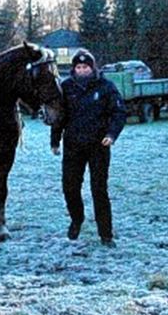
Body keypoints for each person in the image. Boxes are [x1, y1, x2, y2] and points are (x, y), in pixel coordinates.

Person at [50, 49, 127, 248]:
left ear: (92, 68)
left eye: (86, 67)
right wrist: (55, 140)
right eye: (78, 67)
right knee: (70, 187)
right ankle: (77, 219)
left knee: (99, 190)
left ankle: (106, 234)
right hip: (73, 146)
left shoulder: (106, 86)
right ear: (74, 68)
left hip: (98, 146)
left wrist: (111, 134)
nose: (82, 70)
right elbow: (60, 116)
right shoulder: (66, 87)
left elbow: (118, 112)